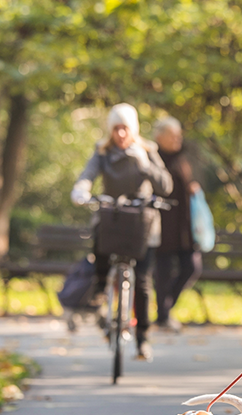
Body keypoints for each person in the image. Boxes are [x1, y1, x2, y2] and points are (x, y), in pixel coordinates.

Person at [70, 103, 173, 361]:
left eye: (125, 128)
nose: (121, 134)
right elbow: (87, 174)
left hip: (142, 225)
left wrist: (145, 165)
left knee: (142, 281)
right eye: (116, 129)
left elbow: (166, 186)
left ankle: (143, 340)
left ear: (133, 129)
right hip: (112, 221)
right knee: (102, 267)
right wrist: (81, 191)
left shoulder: (148, 150)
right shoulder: (103, 152)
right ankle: (99, 307)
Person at [152, 117, 203, 332]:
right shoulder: (152, 158)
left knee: (192, 266)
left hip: (184, 229)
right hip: (162, 228)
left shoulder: (182, 157)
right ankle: (163, 316)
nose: (177, 139)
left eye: (178, 134)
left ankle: (164, 309)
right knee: (161, 273)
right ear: (159, 137)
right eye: (172, 135)